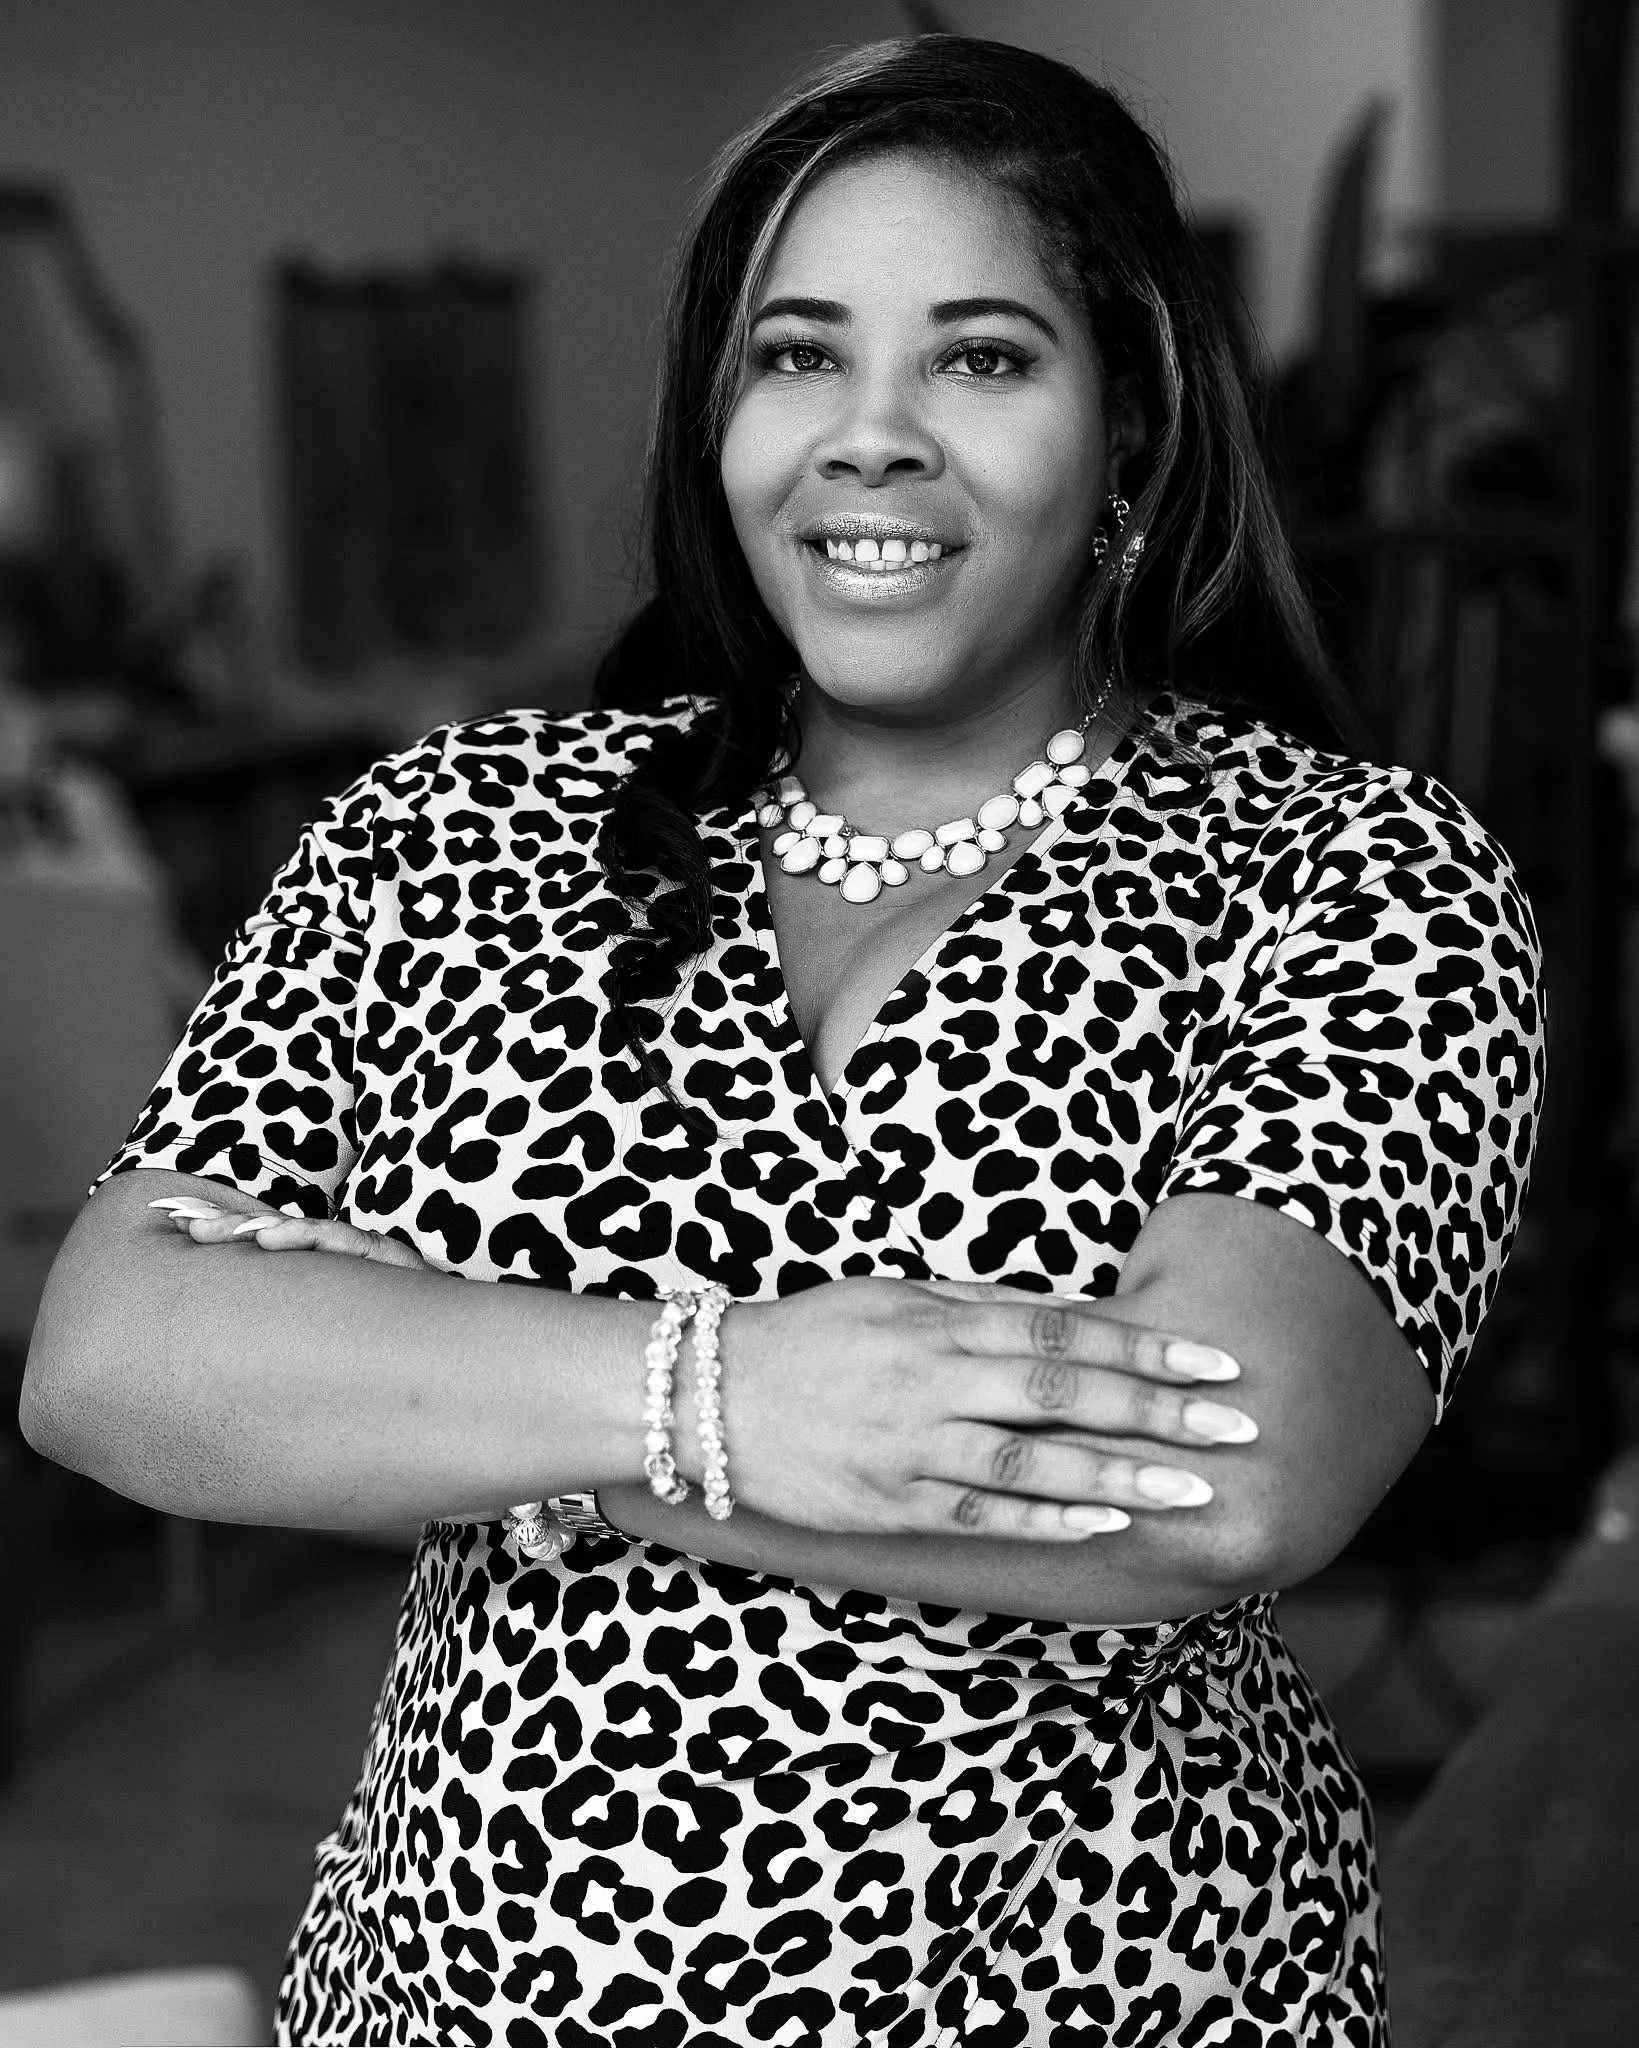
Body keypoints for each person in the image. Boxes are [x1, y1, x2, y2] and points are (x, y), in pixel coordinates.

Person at [22, 35, 1543, 2047]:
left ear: (1136, 438)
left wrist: (481, 1391)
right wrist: (720, 1386)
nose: (870, 436)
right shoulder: (455, 830)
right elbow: (119, 1355)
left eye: (984, 359)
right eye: (797, 354)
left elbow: (1221, 1488)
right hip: (450, 2000)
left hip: (1105, 1995)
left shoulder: (1351, 876)